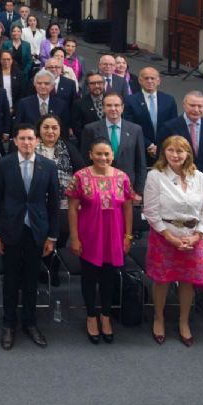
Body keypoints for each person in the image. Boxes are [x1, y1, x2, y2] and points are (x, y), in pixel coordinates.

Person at [0, 125, 60, 350]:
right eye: (22, 139)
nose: (27, 142)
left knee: (31, 278)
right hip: (10, 229)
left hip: (37, 230)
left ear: (36, 141)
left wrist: (52, 236)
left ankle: (30, 322)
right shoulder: (4, 164)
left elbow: (54, 204)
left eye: (30, 138)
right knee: (10, 280)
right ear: (16, 142)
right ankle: (9, 324)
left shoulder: (48, 166)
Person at [143, 135, 203, 346]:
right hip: (165, 235)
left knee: (187, 281)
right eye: (171, 150)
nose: (175, 155)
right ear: (164, 152)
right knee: (162, 280)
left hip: (193, 237)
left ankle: (184, 321)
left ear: (187, 154)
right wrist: (170, 237)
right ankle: (159, 318)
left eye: (180, 151)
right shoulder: (156, 176)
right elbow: (150, 211)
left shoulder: (199, 177)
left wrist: (198, 234)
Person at [66, 138, 135, 344]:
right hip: (89, 235)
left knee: (109, 278)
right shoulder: (80, 177)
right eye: (98, 154)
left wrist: (128, 235)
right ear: (90, 155)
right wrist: (75, 237)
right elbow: (71, 209)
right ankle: (91, 316)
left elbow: (128, 208)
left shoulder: (122, 177)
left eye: (107, 154)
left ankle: (106, 316)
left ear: (112, 155)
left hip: (114, 235)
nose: (103, 158)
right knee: (89, 277)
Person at [35, 114, 86, 283]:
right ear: (39, 130)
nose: (50, 131)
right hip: (37, 203)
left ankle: (53, 267)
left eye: (54, 128)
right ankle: (40, 266)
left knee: (60, 237)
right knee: (39, 236)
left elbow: (82, 172)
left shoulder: (69, 147)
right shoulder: (31, 146)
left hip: (63, 203)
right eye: (46, 127)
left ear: (60, 130)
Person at [156, 91, 203, 193]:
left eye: (200, 106)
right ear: (184, 105)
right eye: (192, 105)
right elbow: (161, 156)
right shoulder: (169, 127)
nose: (196, 109)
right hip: (176, 182)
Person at [80, 92, 147, 196]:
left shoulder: (135, 129)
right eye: (109, 105)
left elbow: (141, 163)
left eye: (116, 105)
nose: (113, 108)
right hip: (99, 186)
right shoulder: (90, 129)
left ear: (122, 107)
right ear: (103, 108)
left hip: (128, 187)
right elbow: (85, 161)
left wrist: (139, 191)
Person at [123, 67, 179, 161]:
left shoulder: (169, 100)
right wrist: (149, 145)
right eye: (146, 78)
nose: (149, 81)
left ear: (158, 81)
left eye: (152, 78)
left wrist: (161, 146)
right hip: (140, 148)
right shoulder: (130, 100)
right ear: (140, 81)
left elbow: (173, 126)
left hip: (165, 150)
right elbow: (130, 126)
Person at [71, 72, 107, 140]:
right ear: (87, 86)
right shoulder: (79, 104)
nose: (96, 86)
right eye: (92, 83)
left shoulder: (112, 101)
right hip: (89, 143)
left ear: (104, 84)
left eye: (99, 83)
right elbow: (77, 128)